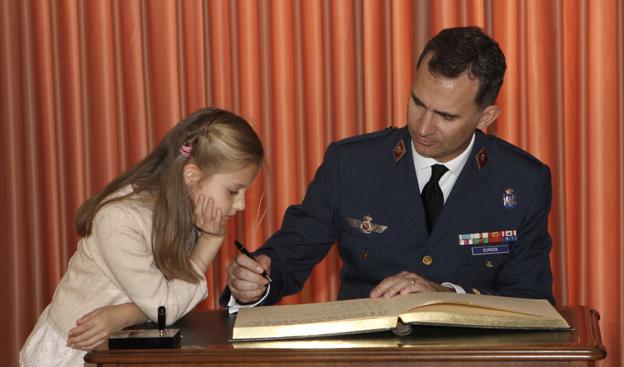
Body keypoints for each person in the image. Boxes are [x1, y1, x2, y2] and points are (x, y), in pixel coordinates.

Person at [224, 26, 554, 310]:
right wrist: (255, 280)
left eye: (446, 116)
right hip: (365, 363)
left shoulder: (522, 181)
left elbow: (530, 301)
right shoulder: (351, 165)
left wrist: (445, 297)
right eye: (417, 103)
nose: (423, 127)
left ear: (485, 117)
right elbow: (286, 258)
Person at [19, 108, 264, 367]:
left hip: (118, 360)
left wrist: (128, 314)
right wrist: (210, 240)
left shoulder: (183, 210)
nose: (241, 204)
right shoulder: (120, 219)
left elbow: (167, 301)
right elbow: (167, 306)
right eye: (233, 191)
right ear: (192, 176)